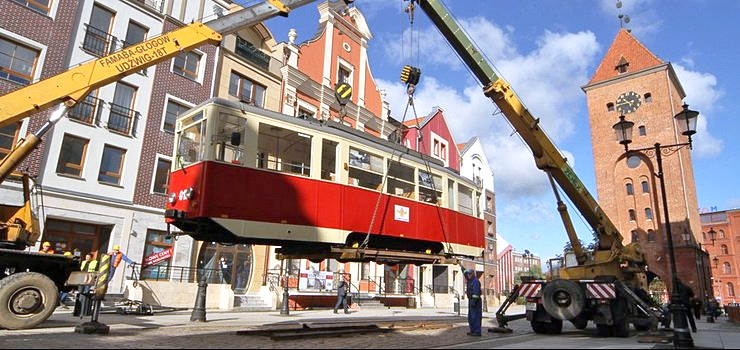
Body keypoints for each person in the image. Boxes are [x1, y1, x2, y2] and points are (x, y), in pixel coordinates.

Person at [460, 262, 482, 336]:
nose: (468, 275)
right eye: (468, 274)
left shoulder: (475, 281)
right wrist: (460, 264)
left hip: (475, 301)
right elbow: (464, 272)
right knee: (471, 317)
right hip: (471, 300)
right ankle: (472, 330)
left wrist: (473, 301)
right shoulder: (470, 280)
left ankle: (477, 331)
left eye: (469, 274)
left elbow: (476, 293)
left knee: (475, 317)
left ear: (472, 274)